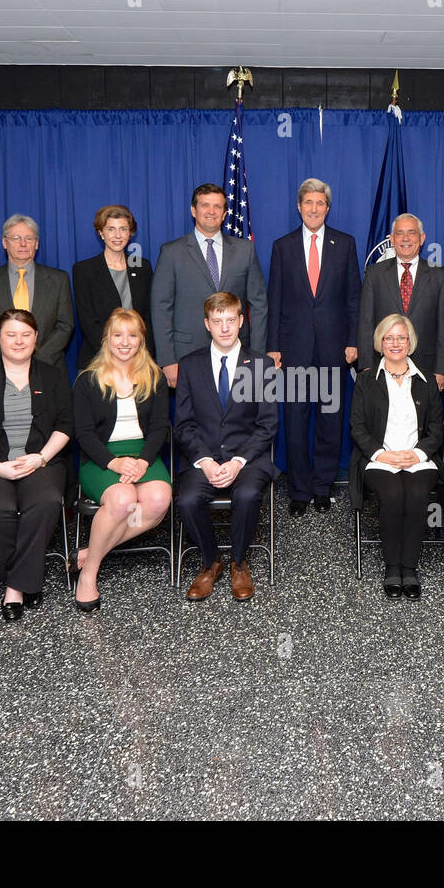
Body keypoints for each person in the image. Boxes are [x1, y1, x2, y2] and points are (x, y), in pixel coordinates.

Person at [0, 310, 74, 621]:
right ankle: (29, 576)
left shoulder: (52, 376)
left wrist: (41, 457)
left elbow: (66, 424)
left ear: (36, 338)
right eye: (11, 334)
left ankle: (15, 587)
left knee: (46, 502)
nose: (18, 341)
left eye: (25, 334)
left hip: (42, 461)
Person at [173, 292, 277, 602]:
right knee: (188, 499)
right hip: (203, 456)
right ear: (207, 324)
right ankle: (211, 561)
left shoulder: (261, 364)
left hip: (248, 457)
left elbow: (268, 424)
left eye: (231, 320)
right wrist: (205, 460)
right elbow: (183, 424)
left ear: (242, 322)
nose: (225, 328)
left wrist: (237, 462)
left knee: (246, 494)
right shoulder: (189, 365)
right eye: (217, 321)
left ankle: (239, 561)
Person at [267, 178, 361, 516]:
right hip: (293, 350)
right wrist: (273, 346)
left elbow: (354, 297)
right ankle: (299, 490)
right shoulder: (283, 246)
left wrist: (353, 340)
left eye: (320, 203)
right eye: (308, 202)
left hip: (334, 349)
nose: (314, 209)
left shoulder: (345, 244)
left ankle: (322, 487)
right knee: (294, 421)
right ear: (299, 206)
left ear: (327, 208)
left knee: (330, 421)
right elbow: (274, 298)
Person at [72, 308, 172, 611]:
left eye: (132, 335)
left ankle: (91, 552)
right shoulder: (87, 380)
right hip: (101, 456)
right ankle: (89, 575)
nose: (125, 342)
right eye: (118, 335)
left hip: (143, 451)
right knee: (123, 499)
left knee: (158, 499)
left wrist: (143, 461)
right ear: (107, 339)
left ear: (142, 340)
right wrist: (113, 463)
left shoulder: (154, 377)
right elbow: (84, 434)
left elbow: (159, 428)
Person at [350, 313, 444, 600]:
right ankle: (392, 567)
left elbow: (437, 429)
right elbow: (358, 427)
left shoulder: (426, 379)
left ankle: (410, 568)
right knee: (392, 494)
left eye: (401, 337)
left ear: (410, 342)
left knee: (416, 494)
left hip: (420, 459)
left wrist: (417, 454)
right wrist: (382, 454)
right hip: (379, 459)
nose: (395, 343)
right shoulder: (366, 380)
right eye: (389, 338)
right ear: (380, 342)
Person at [152, 184, 268, 388]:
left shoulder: (245, 250)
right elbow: (161, 308)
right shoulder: (171, 252)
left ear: (225, 213)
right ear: (193, 210)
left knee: (236, 416)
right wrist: (167, 360)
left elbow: (259, 305)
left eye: (218, 206)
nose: (211, 211)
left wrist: (257, 355)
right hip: (186, 354)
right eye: (205, 205)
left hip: (237, 352)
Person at [357, 213, 444, 390]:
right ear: (392, 239)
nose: (406, 238)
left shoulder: (441, 276)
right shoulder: (374, 274)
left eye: (412, 232)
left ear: (422, 238)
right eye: (400, 233)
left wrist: (442, 370)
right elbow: (365, 322)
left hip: (426, 368)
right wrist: (366, 366)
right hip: (382, 365)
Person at [0, 214, 74, 371]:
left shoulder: (59, 279)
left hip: (50, 368)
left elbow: (65, 325)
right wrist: (11, 358)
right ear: (5, 242)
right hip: (3, 369)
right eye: (16, 238)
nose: (23, 244)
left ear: (37, 244)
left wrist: (37, 361)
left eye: (29, 238)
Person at [72, 205, 156, 370]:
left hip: (138, 360)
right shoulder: (84, 270)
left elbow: (148, 316)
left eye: (123, 229)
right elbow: (87, 320)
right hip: (99, 360)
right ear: (101, 233)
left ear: (130, 233)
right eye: (111, 229)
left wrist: (144, 352)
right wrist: (114, 353)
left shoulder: (142, 266)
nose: (117, 235)